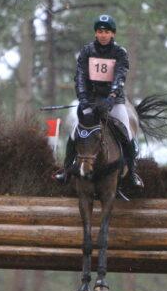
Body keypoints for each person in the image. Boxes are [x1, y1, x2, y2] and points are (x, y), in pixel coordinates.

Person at [54, 14, 143, 188]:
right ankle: (66, 170)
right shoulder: (86, 51)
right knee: (75, 132)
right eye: (100, 31)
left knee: (127, 134)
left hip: (115, 102)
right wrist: (83, 98)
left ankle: (131, 173)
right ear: (96, 33)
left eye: (107, 31)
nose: (103, 34)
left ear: (113, 34)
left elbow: (119, 77)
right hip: (91, 100)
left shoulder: (120, 53)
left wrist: (111, 98)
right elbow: (80, 77)